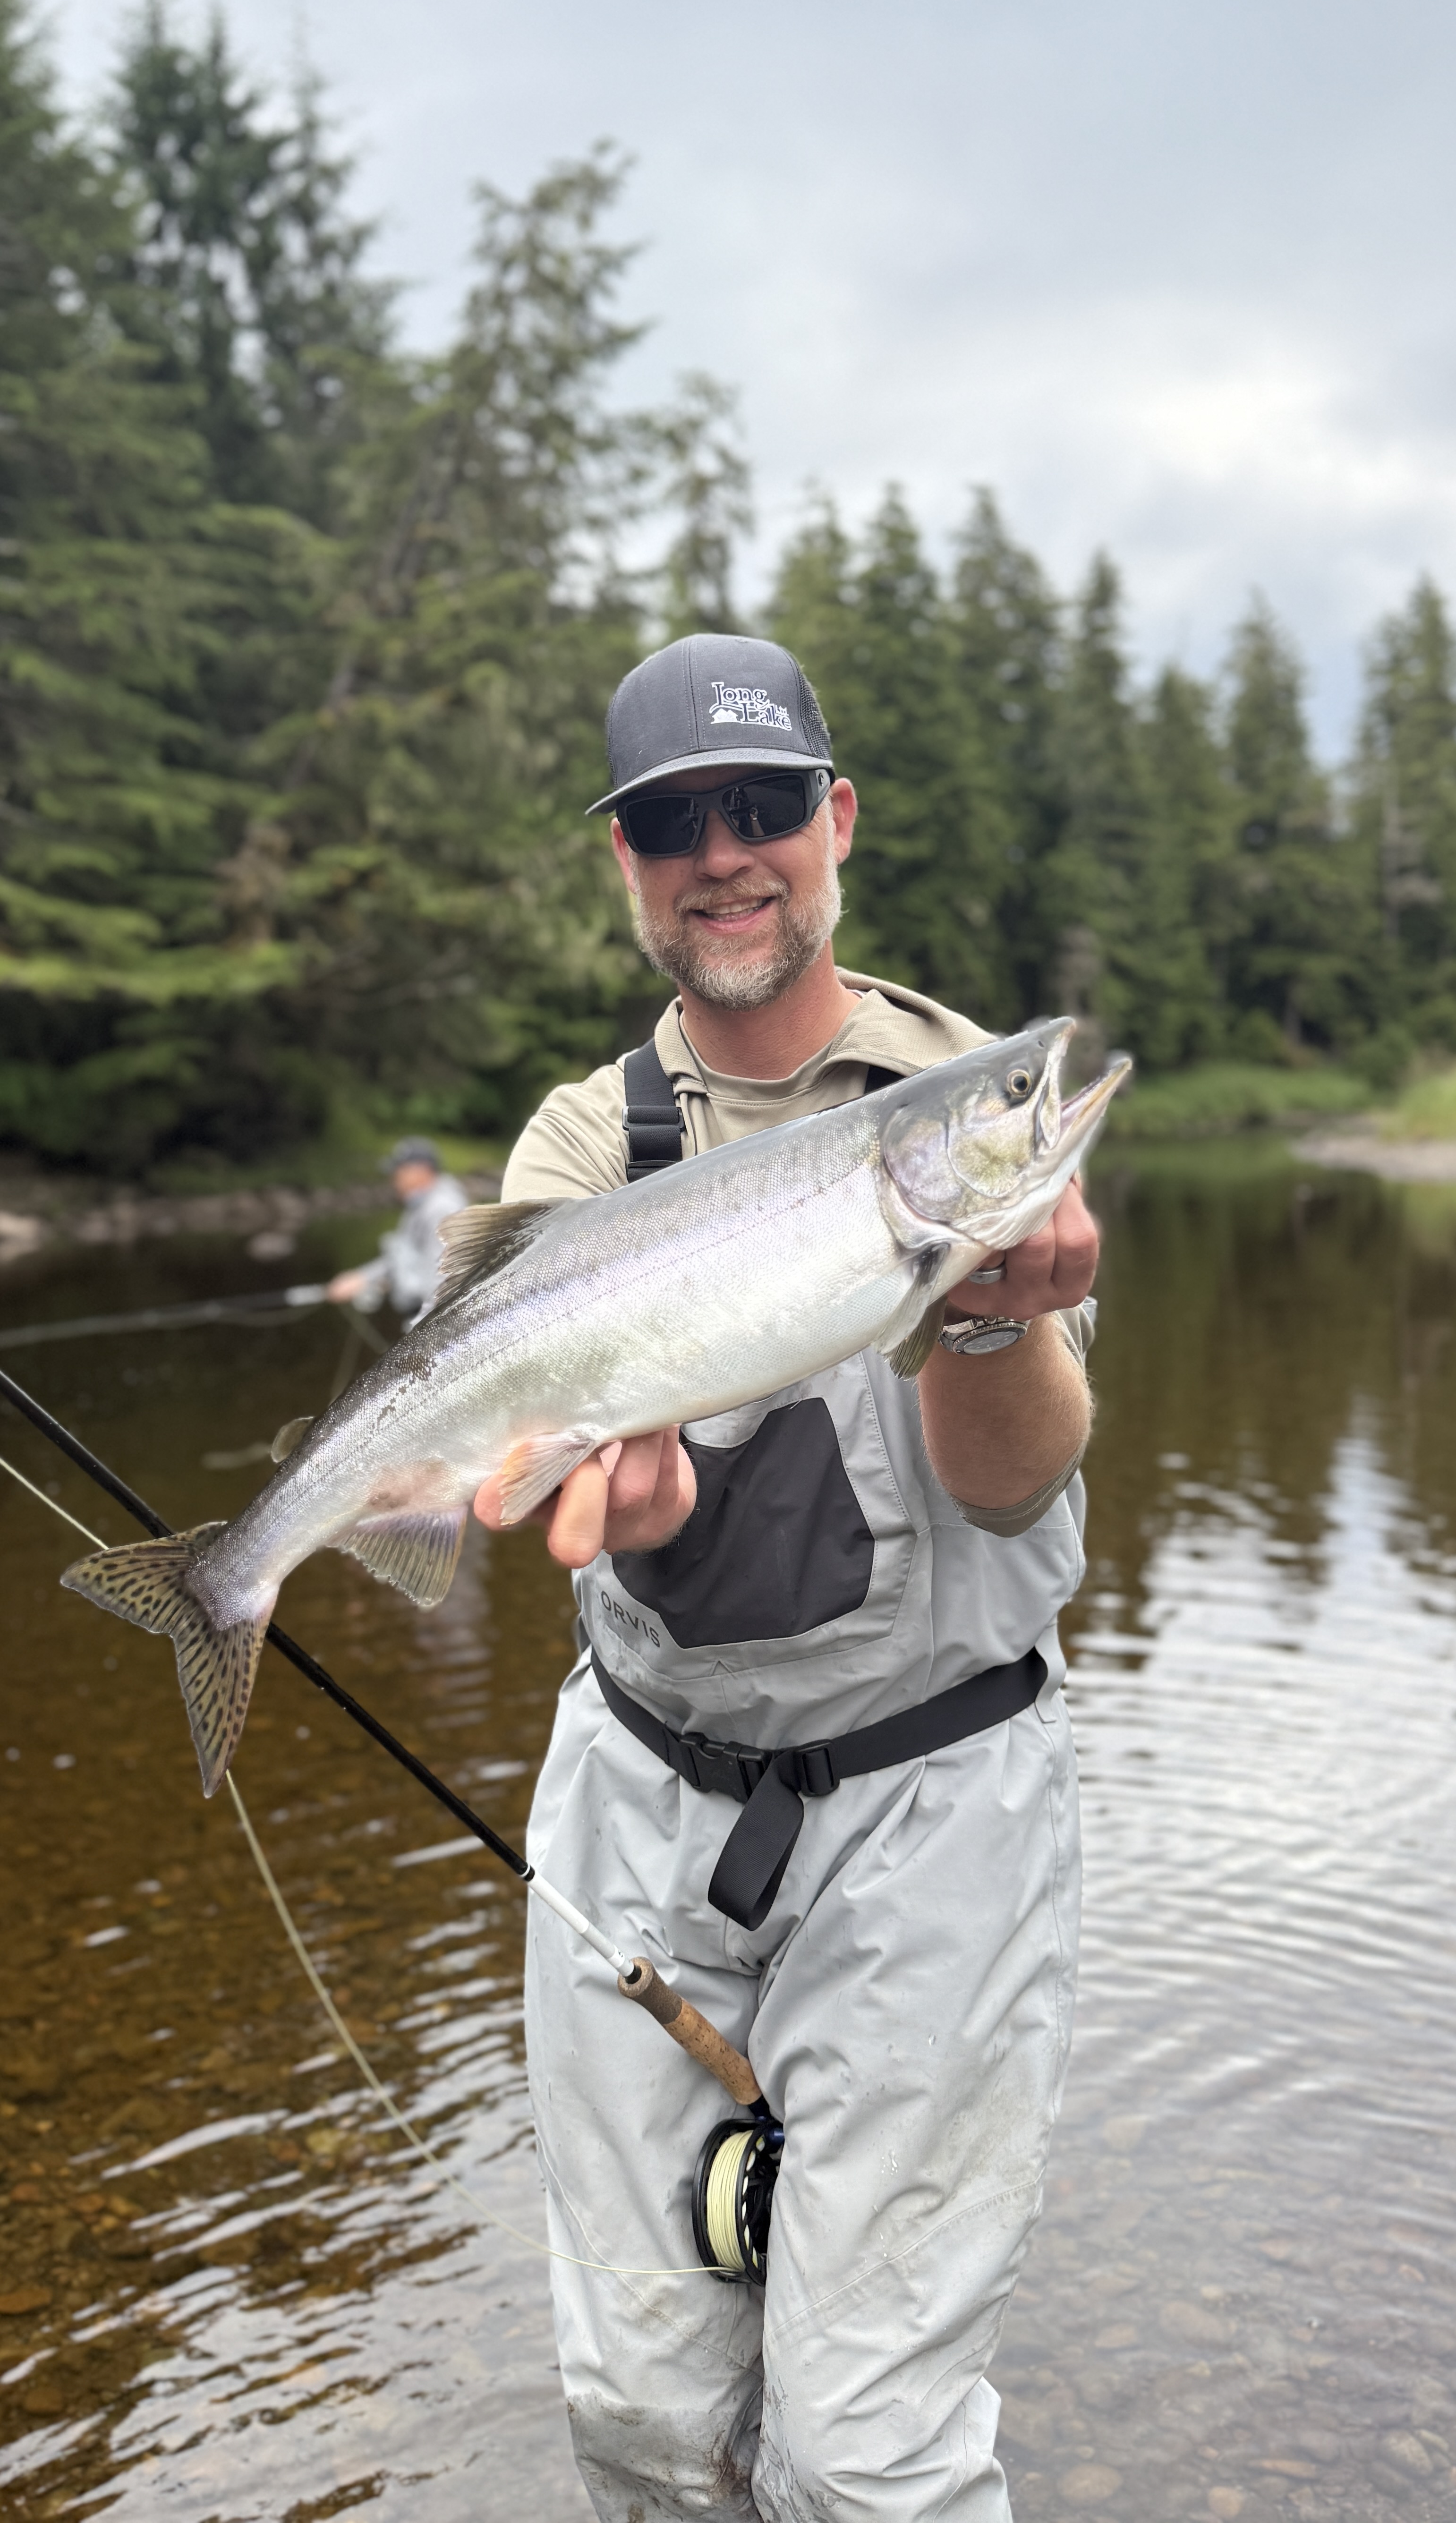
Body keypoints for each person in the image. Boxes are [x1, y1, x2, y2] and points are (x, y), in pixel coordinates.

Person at [475, 632, 1101, 2523]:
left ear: (836, 819)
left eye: (759, 806)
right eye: (675, 822)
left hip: (932, 1806)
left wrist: (986, 1322)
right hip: (647, 1804)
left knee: (863, 2454)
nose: (723, 854)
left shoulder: (956, 1103)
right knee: (643, 2421)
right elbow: (605, 1504)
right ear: (627, 859)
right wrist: (639, 1505)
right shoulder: (585, 1142)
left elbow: (1014, 1487)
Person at [323, 1140, 470, 1325]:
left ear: (422, 1170)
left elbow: (444, 1278)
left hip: (438, 1323)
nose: (393, 1178)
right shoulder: (420, 1205)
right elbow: (403, 1257)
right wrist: (362, 1278)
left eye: (399, 1171)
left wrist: (424, 1329)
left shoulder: (441, 1208)